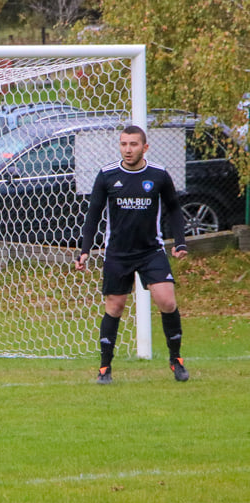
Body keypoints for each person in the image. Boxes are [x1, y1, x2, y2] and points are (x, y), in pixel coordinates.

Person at [75, 125, 189, 384]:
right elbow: (93, 215)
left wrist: (180, 242)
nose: (128, 149)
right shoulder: (107, 175)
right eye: (124, 144)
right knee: (115, 307)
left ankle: (176, 360)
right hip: (117, 254)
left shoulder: (159, 175)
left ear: (144, 147)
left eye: (134, 144)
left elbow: (174, 209)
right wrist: (84, 250)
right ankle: (105, 368)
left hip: (151, 251)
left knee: (167, 300)